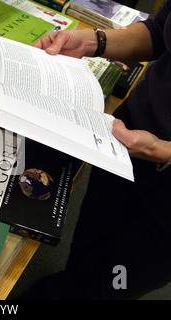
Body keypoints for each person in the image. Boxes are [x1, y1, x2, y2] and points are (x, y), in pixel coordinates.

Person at [19, 0, 171, 299]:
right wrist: (92, 41)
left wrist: (165, 150)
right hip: (127, 134)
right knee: (90, 238)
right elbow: (158, 30)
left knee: (119, 280)